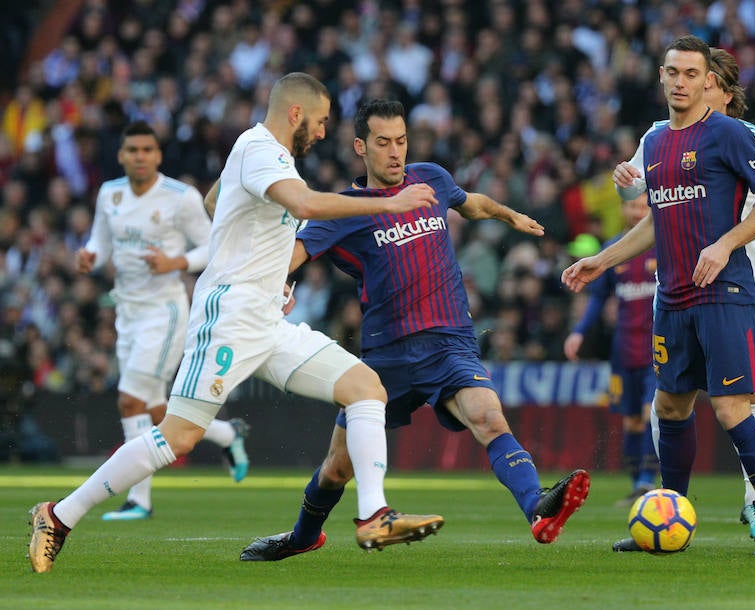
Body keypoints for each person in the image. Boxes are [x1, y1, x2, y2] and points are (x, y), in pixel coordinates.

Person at [28, 73, 443, 574]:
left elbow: (213, 203)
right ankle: (59, 515)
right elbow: (304, 204)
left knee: (366, 388)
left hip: (265, 318)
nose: (322, 131)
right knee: (177, 437)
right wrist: (388, 203)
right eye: (319, 121)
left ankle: (374, 516)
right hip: (228, 318)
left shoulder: (262, 155)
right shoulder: (260, 148)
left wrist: (269, 274)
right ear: (295, 114)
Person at [239, 99, 590, 562]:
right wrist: (277, 284)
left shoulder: (431, 178)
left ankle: (538, 509)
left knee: (489, 418)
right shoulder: (346, 208)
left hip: (450, 342)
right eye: (383, 142)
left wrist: (508, 215)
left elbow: (471, 203)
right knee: (338, 467)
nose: (395, 152)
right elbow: (295, 254)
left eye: (401, 141)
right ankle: (304, 536)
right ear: (361, 147)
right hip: (387, 356)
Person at [562, 35, 755, 556]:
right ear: (661, 76)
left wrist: (726, 243)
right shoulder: (655, 142)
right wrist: (603, 260)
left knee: (732, 409)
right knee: (669, 406)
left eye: (691, 74)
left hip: (724, 292)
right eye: (673, 72)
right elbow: (656, 219)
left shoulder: (728, 133)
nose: (681, 82)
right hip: (672, 298)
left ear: (708, 80)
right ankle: (672, 521)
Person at [75, 120, 251, 521]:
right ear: (121, 155)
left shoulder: (180, 197)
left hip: (165, 311)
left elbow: (212, 246)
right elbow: (101, 242)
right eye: (133, 150)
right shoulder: (109, 194)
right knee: (155, 409)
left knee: (130, 399)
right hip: (127, 311)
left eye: (147, 150)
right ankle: (228, 433)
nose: (140, 157)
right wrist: (90, 257)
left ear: (157, 155)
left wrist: (176, 262)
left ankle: (139, 499)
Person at [563, 193, 658, 508]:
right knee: (631, 420)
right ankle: (636, 484)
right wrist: (579, 332)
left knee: (650, 413)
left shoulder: (662, 244)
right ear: (623, 208)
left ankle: (647, 482)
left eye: (643, 206)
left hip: (658, 348)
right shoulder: (614, 249)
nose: (637, 211)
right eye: (632, 206)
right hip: (624, 349)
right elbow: (597, 299)